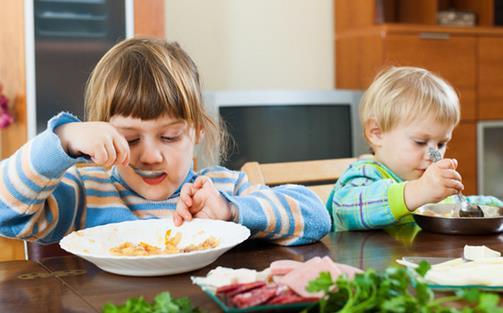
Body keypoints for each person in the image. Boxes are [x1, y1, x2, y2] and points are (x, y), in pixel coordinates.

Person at [0, 37, 330, 246]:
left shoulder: (218, 188)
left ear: (197, 131)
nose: (151, 156)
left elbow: (316, 217)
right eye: (129, 139)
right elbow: (6, 215)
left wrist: (231, 211)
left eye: (170, 136)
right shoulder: (86, 193)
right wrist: (62, 139)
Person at [327, 66, 503, 231]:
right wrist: (418, 191)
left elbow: (453, 206)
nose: (433, 155)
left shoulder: (428, 183)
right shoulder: (364, 174)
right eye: (420, 142)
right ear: (377, 133)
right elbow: (346, 209)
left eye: (441, 144)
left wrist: (493, 207)